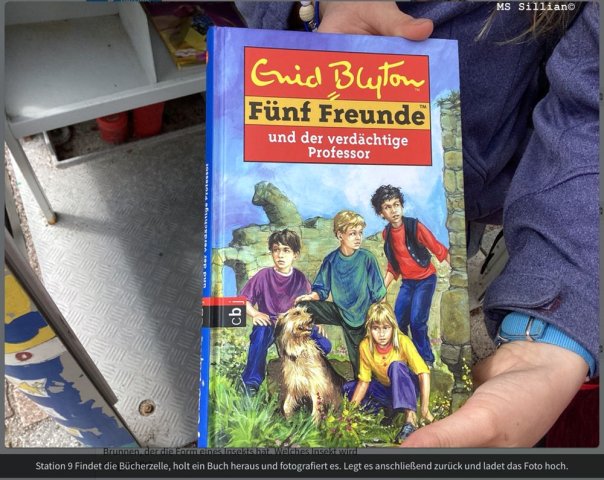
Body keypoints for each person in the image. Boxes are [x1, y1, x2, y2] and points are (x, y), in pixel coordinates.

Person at [236, 1, 599, 447]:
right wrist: (308, 8)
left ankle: (407, 390)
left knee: (412, 327)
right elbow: (332, 282)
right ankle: (268, 381)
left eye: (363, 228)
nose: (365, 231)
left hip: (446, 235)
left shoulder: (403, 234)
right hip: (334, 87)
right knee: (340, 331)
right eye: (356, 229)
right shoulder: (337, 257)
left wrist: (444, 267)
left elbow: (590, 101)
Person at [296, 210, 386, 377]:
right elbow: (321, 290)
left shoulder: (367, 258)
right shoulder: (331, 259)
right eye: (352, 233)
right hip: (339, 310)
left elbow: (379, 295)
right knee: (302, 307)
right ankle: (311, 348)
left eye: (360, 233)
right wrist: (311, 297)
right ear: (340, 235)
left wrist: (378, 320)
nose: (358, 237)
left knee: (362, 369)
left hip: (362, 317)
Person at [240, 229, 330, 394]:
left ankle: (308, 378)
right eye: (276, 250)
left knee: (325, 346)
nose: (280, 255)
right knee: (259, 335)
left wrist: (316, 322)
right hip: (271, 324)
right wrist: (255, 313)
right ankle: (250, 383)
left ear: (295, 254)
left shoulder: (300, 278)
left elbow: (309, 306)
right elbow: (243, 300)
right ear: (271, 253)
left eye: (286, 250)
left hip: (293, 326)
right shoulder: (263, 275)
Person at [371, 185, 450, 366]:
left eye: (396, 204)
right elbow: (393, 267)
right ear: (381, 213)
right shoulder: (387, 234)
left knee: (417, 321)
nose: (394, 210)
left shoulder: (415, 227)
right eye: (387, 207)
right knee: (398, 322)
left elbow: (438, 248)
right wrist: (381, 290)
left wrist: (458, 269)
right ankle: (406, 357)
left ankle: (425, 360)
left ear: (401, 205)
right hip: (408, 283)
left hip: (425, 280)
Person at [344, 302, 434, 443]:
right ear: (369, 328)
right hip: (387, 390)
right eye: (376, 328)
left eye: (386, 328)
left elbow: (423, 373)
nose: (381, 334)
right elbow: (364, 382)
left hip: (407, 387)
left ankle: (410, 419)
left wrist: (424, 409)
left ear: (393, 327)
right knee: (348, 388)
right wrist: (349, 412)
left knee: (396, 366)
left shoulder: (403, 341)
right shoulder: (365, 346)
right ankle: (382, 413)